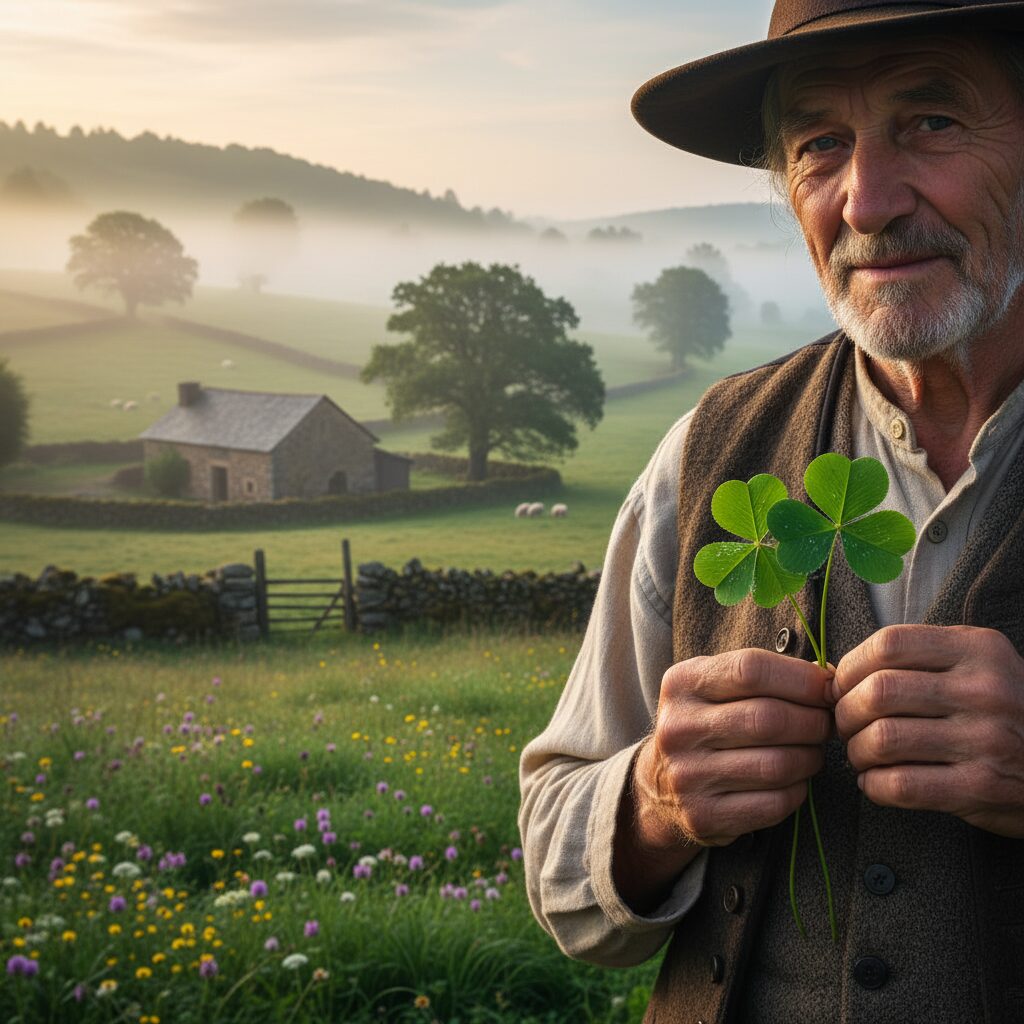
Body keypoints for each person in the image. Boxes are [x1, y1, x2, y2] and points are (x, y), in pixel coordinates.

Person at [518, 1, 1024, 1021]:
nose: (866, 200)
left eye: (930, 122)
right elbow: (555, 853)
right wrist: (657, 800)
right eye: (818, 144)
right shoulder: (710, 449)